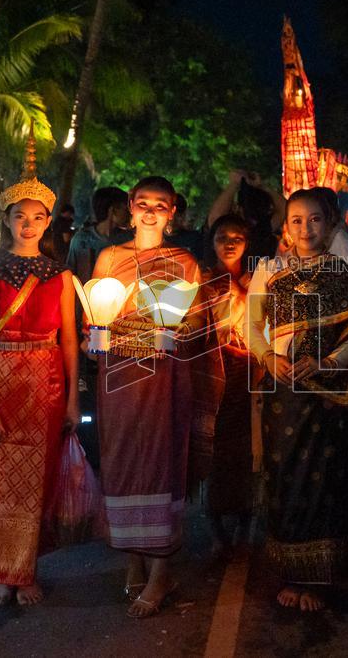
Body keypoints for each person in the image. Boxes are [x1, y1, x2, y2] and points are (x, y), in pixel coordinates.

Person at [0, 128, 79, 606]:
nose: (28, 224)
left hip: (46, 384)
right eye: (19, 216)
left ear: (48, 221)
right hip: (0, 380)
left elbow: (69, 339)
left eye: (37, 217)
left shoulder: (61, 275)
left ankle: (25, 568)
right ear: (7, 219)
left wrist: (72, 399)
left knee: (36, 481)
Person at [245, 188, 348, 613]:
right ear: (286, 227)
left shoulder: (343, 272)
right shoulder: (270, 270)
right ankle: (291, 574)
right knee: (286, 478)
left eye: (315, 219)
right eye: (297, 220)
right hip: (284, 394)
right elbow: (252, 325)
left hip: (329, 394)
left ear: (331, 223)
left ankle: (320, 577)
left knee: (328, 479)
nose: (306, 228)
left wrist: (330, 361)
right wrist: (268, 357)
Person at [93, 176, 208, 619]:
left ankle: (161, 570)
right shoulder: (109, 257)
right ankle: (133, 559)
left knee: (161, 463)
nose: (151, 212)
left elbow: (197, 322)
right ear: (130, 205)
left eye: (161, 205)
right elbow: (97, 312)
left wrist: (172, 330)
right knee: (122, 461)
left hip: (163, 376)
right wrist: (96, 336)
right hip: (118, 376)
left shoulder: (184, 262)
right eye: (143, 203)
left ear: (173, 211)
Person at [201, 214, 260, 559]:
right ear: (212, 242)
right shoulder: (202, 281)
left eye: (237, 237)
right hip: (213, 375)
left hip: (248, 374)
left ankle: (245, 519)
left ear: (247, 243)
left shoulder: (257, 281)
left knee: (246, 449)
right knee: (213, 450)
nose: (230, 243)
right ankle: (214, 527)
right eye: (223, 236)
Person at [66, 187, 127, 285]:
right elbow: (69, 276)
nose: (129, 213)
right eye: (125, 208)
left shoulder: (128, 239)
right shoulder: (82, 240)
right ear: (113, 210)